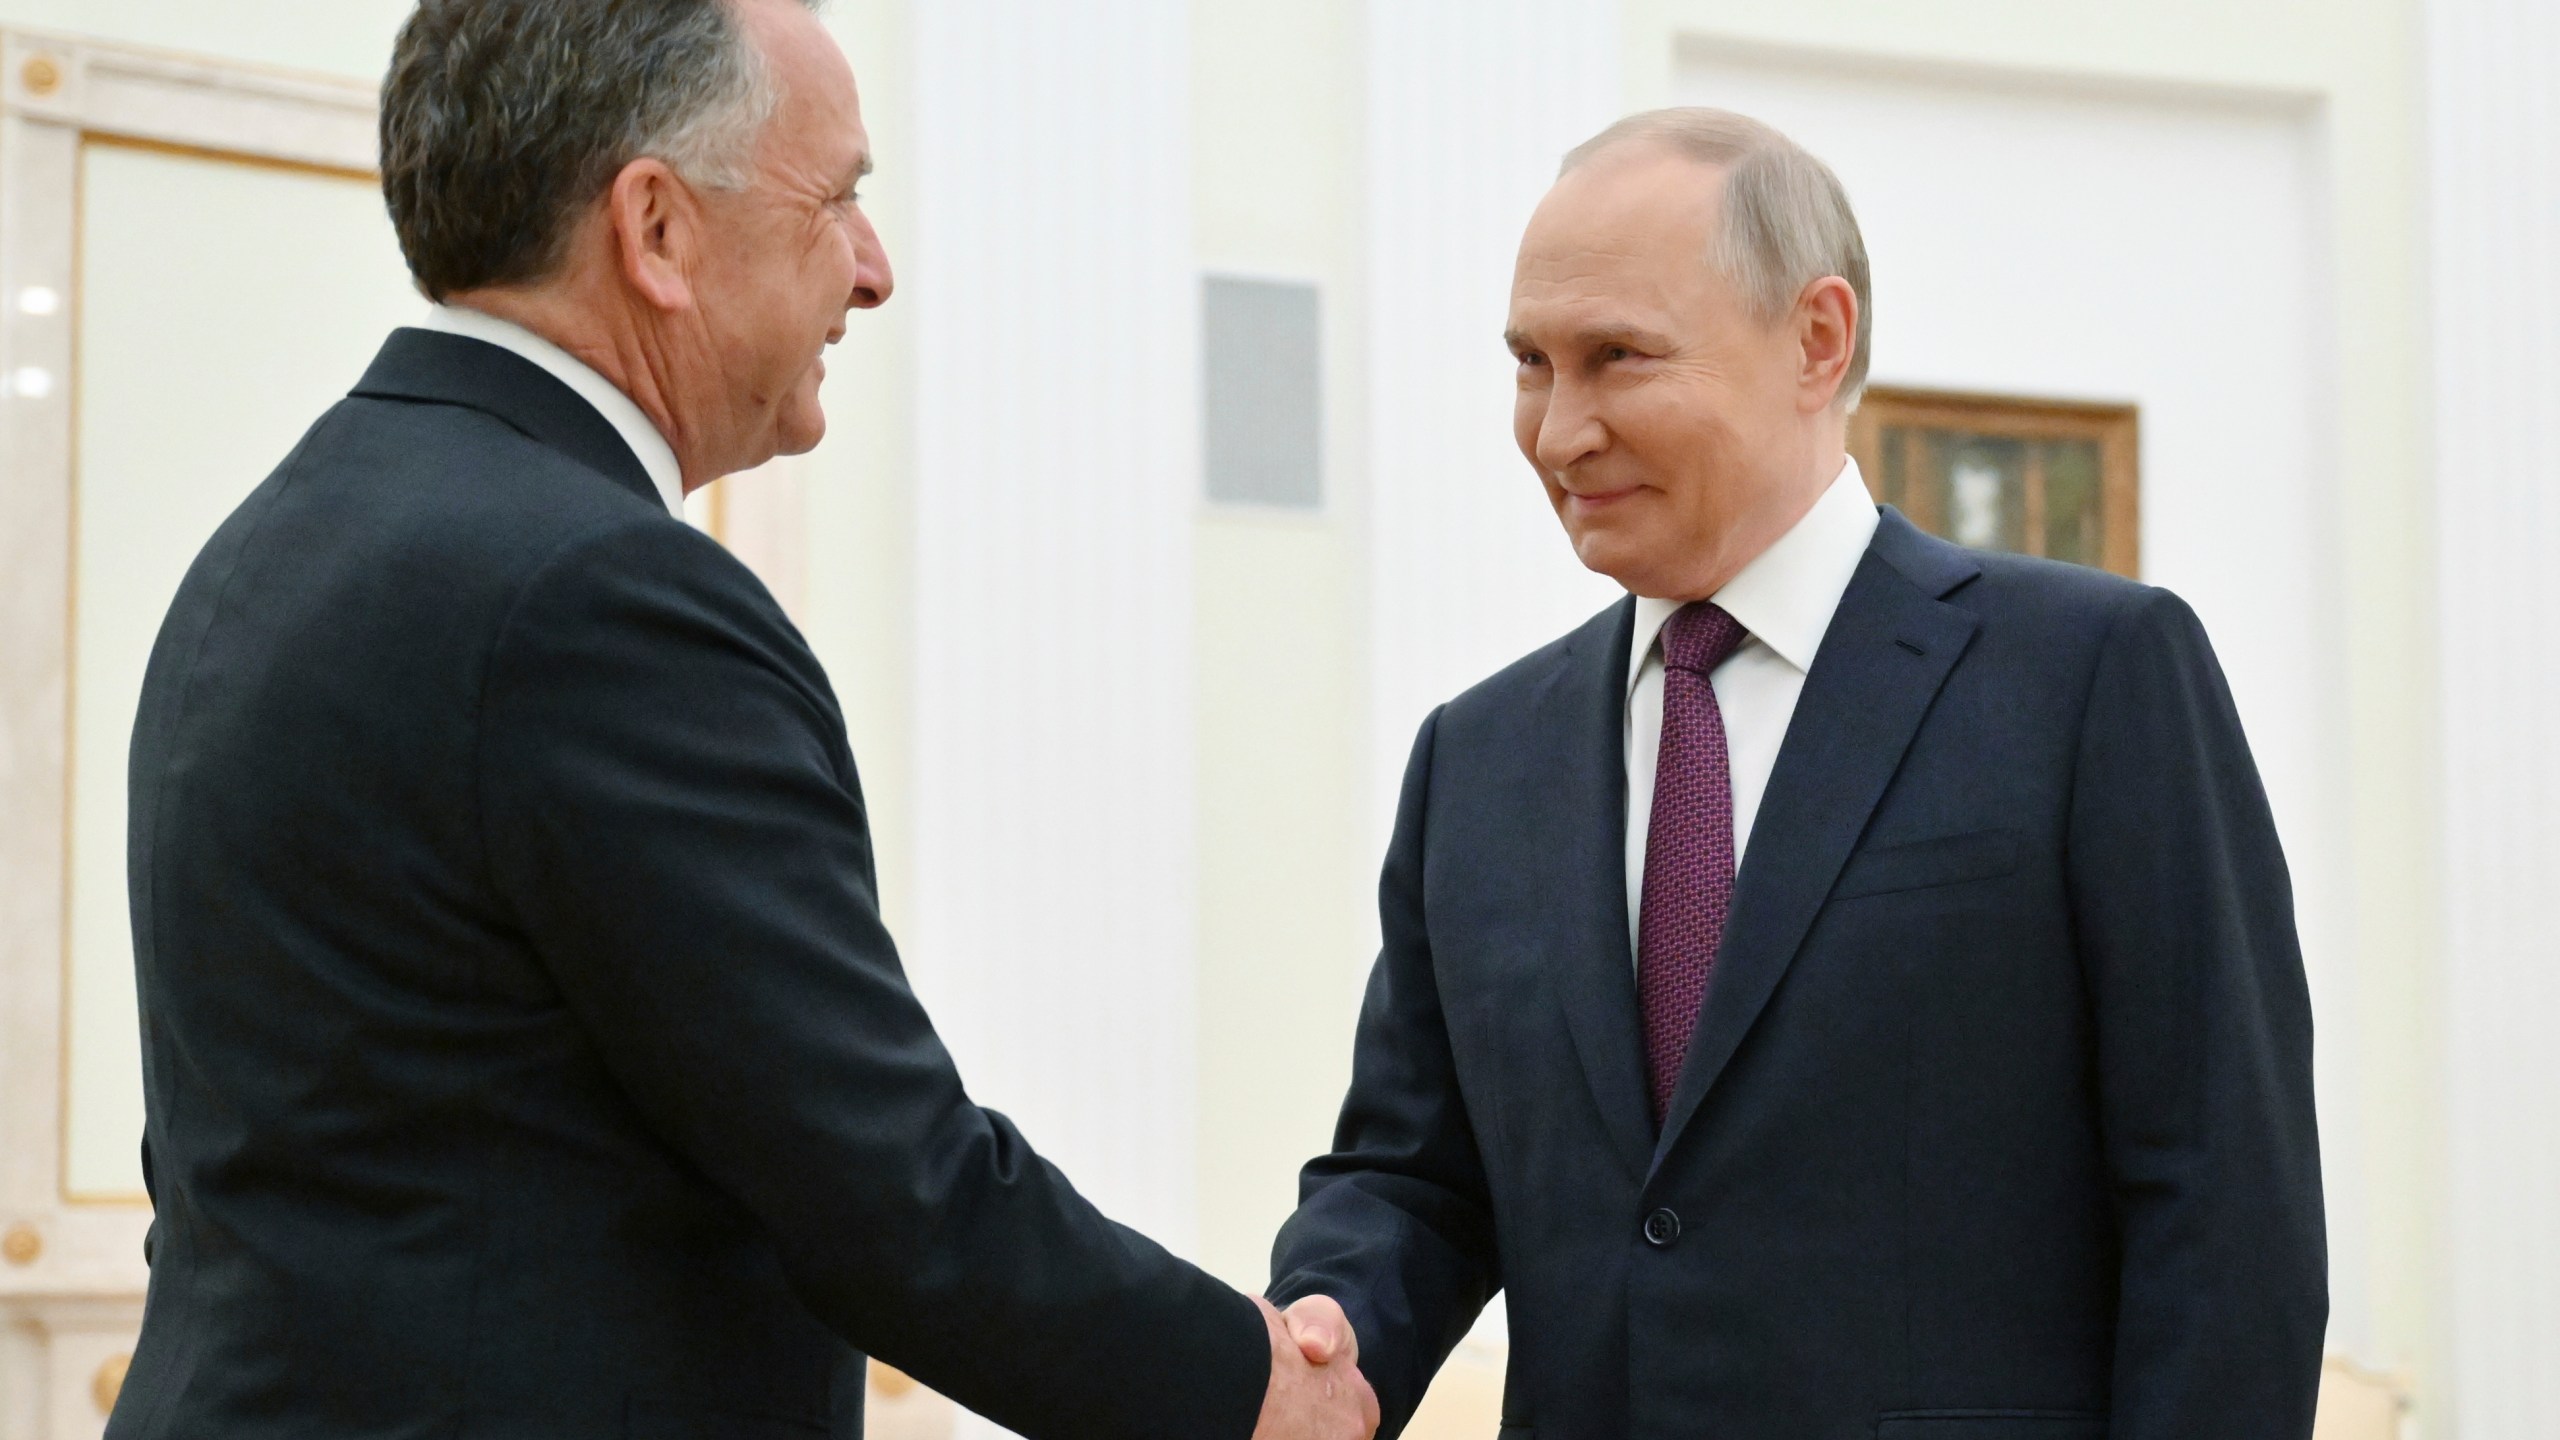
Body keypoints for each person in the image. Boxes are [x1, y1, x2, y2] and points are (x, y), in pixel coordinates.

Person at [112, 2, 1376, 1437]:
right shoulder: (599, 596)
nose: (875, 267)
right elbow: (882, 1184)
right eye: (838, 197)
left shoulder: (277, 538)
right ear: (655, 230)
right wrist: (1246, 1389)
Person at [1268, 108, 2327, 1438]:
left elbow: (2223, 1209)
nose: (1558, 431)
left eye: (1618, 359)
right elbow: (1417, 1176)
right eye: (1532, 364)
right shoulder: (1477, 760)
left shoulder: (2094, 679)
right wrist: (1322, 1334)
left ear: (1816, 340)